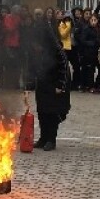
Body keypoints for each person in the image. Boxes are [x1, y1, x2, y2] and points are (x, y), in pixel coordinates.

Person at [31, 18, 70, 150]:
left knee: (52, 113)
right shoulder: (39, 52)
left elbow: (64, 67)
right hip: (43, 85)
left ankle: (51, 139)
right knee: (42, 112)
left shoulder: (56, 49)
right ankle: (43, 138)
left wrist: (60, 85)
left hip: (55, 86)